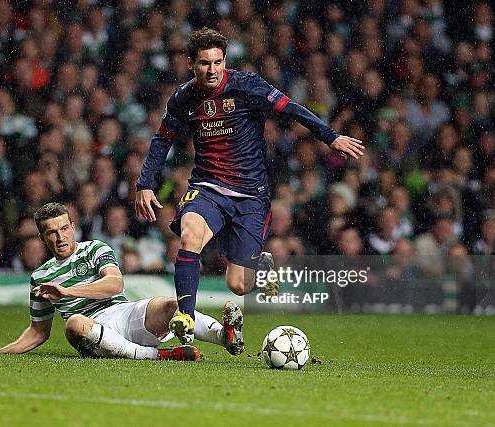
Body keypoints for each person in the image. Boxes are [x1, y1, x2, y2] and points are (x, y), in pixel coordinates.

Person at [135, 28, 364, 343]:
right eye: (204, 63)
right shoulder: (184, 98)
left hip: (250, 196)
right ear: (191, 63)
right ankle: (186, 316)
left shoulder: (247, 87)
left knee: (239, 286)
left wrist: (330, 136)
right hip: (208, 186)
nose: (212, 70)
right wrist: (145, 182)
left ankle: (261, 263)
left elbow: (291, 108)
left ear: (225, 61)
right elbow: (163, 139)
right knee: (190, 235)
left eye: (217, 62)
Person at [0, 202, 244, 360]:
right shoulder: (40, 277)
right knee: (74, 323)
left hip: (122, 312)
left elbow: (115, 284)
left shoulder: (95, 249)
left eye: (64, 228)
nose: (60, 237)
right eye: (51, 232)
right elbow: (38, 331)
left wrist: (68, 291)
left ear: (73, 226)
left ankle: (226, 336)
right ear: (42, 237)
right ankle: (160, 356)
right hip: (93, 332)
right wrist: (1, 353)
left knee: (169, 304)